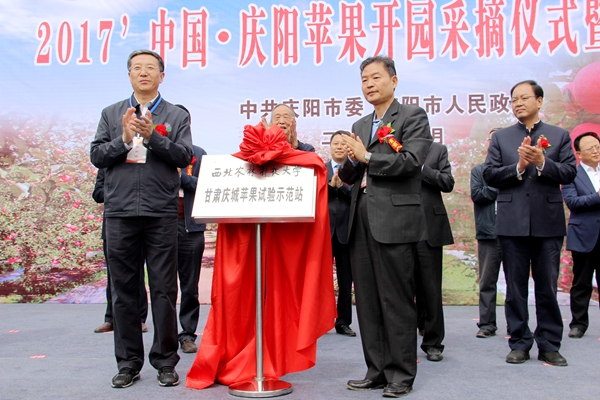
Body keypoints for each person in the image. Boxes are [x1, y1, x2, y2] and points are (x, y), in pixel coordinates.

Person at [186, 121, 336, 390]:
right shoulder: (238, 163)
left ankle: (269, 358)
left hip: (281, 235)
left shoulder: (305, 160)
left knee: (279, 293)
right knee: (242, 293)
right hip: (252, 235)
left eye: (287, 118)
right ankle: (242, 356)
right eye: (277, 118)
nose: (281, 123)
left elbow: (314, 173)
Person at [90, 49, 193, 388]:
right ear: (130, 75)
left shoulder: (176, 115)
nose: (144, 72)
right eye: (137, 68)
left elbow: (184, 155)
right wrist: (123, 139)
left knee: (163, 289)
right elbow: (97, 156)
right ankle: (128, 363)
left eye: (151, 68)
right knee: (124, 291)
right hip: (120, 212)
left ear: (162, 76)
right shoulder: (111, 113)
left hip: (160, 212)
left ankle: (165, 361)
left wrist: (153, 137)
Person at [338, 56, 432, 398]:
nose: (369, 84)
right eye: (364, 79)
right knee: (367, 299)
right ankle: (376, 370)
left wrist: (366, 157)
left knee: (395, 298)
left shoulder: (412, 116)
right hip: (361, 217)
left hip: (394, 219)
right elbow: (352, 175)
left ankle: (401, 375)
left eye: (376, 77)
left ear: (393, 81)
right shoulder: (361, 123)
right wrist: (349, 161)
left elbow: (411, 162)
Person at [483, 79, 576, 367]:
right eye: (514, 99)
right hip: (512, 223)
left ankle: (549, 344)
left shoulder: (559, 135)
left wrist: (542, 163)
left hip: (548, 223)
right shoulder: (502, 138)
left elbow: (569, 173)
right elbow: (490, 175)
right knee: (515, 287)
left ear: (539, 101)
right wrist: (519, 167)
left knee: (547, 286)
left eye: (524, 98)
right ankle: (519, 342)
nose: (518, 103)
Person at [92, 168, 148, 335]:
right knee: (114, 276)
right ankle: (111, 318)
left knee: (137, 274)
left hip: (137, 225)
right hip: (113, 227)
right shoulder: (107, 166)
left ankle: (139, 318)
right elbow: (97, 194)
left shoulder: (137, 168)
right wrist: (117, 188)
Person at [415, 141, 454, 362]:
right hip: (398, 224)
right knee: (401, 287)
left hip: (429, 226)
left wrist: (422, 168)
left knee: (430, 288)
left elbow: (447, 182)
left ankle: (433, 342)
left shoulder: (437, 150)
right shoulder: (392, 146)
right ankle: (402, 340)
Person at [173, 104, 207, 354]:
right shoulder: (151, 152)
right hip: (158, 226)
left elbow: (206, 185)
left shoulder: (198, 153)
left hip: (189, 228)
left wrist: (180, 177)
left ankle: (187, 334)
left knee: (189, 286)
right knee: (163, 286)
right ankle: (165, 336)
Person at [561, 131, 600, 339]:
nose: (595, 151)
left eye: (598, 146)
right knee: (582, 282)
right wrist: (597, 196)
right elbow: (573, 202)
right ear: (578, 153)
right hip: (584, 234)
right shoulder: (572, 175)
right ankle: (578, 324)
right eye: (590, 148)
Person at [470, 128, 503, 339]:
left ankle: (518, 325)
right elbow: (478, 194)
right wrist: (501, 183)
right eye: (492, 139)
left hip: (514, 232)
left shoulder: (519, 170)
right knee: (487, 281)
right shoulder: (479, 171)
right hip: (489, 233)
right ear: (487, 143)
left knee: (516, 283)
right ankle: (487, 324)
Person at [327, 130, 355, 337]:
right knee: (320, 280)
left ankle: (343, 322)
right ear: (330, 146)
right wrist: (330, 187)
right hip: (324, 233)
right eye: (335, 143)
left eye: (343, 144)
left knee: (346, 280)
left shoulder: (355, 170)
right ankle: (319, 320)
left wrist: (343, 187)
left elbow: (359, 195)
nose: (339, 147)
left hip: (347, 232)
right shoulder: (320, 169)